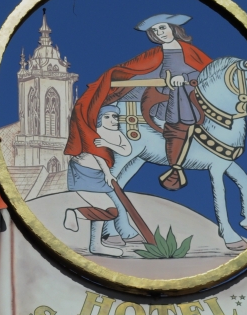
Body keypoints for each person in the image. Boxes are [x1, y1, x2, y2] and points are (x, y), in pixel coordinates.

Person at [64, 13, 212, 193]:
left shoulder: (191, 51)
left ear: (173, 28)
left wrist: (186, 77)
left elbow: (209, 72)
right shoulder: (154, 54)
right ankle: (175, 163)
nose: (160, 33)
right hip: (164, 96)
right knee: (175, 118)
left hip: (191, 94)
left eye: (162, 28)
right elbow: (133, 70)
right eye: (155, 31)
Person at [64, 105, 133, 256]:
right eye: (106, 117)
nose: (112, 120)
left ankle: (95, 245)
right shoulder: (96, 133)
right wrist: (108, 174)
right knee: (109, 210)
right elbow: (98, 155)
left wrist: (108, 144)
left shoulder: (116, 134)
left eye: (114, 117)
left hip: (96, 175)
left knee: (107, 210)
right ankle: (75, 214)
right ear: (99, 119)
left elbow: (126, 150)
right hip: (83, 173)